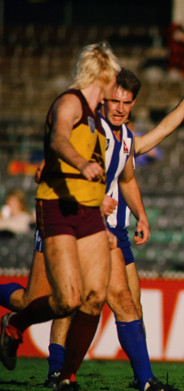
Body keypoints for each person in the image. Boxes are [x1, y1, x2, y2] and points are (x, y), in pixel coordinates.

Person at [0, 67, 184, 391]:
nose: (121, 107)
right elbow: (43, 173)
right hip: (67, 221)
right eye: (116, 101)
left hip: (105, 231)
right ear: (105, 100)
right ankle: (36, 345)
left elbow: (140, 160)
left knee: (119, 300)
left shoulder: (125, 140)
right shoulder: (89, 130)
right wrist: (91, 199)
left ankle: (140, 380)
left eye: (128, 102)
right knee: (49, 301)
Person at [0, 42, 121, 390]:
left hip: (89, 212)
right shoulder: (70, 102)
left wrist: (100, 214)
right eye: (112, 76)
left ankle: (65, 377)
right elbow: (57, 140)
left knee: (95, 296)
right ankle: (15, 323)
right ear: (103, 73)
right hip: (57, 207)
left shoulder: (97, 117)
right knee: (67, 300)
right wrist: (82, 164)